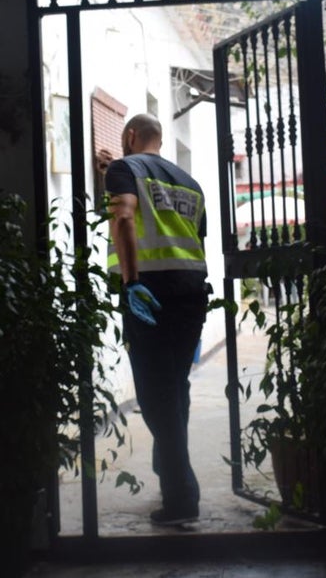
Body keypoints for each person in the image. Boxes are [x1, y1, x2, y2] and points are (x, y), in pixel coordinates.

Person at [105, 113, 209, 526]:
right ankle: (170, 475)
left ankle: (183, 496)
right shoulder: (189, 182)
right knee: (174, 389)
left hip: (148, 294)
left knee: (154, 395)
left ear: (130, 136)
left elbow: (125, 217)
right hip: (191, 294)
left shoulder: (123, 169)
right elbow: (194, 238)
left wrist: (130, 283)